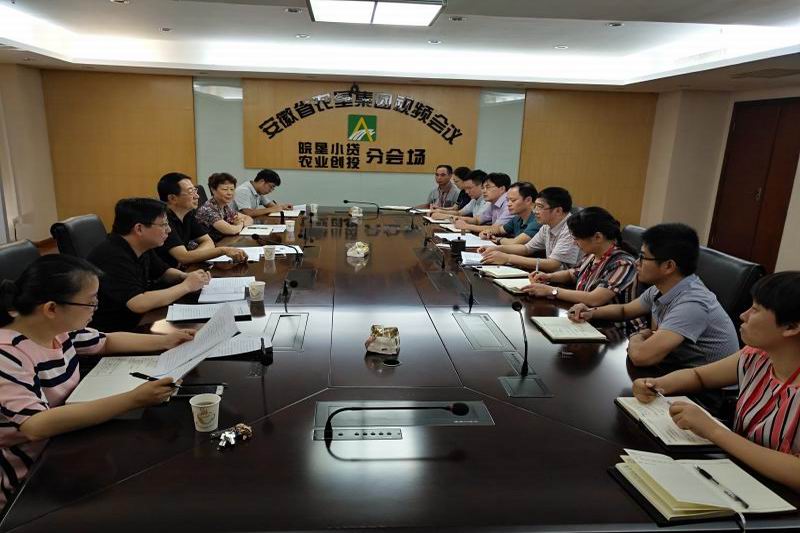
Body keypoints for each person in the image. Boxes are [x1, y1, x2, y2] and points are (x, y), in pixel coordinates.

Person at [0, 255, 193, 508]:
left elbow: (106, 341)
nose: (96, 308)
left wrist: (167, 340)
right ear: (51, 308)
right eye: (90, 302)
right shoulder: (8, 354)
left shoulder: (58, 330)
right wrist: (133, 399)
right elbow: (35, 426)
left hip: (69, 442)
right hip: (31, 475)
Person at [631, 271, 800, 492]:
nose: (743, 315)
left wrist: (713, 430)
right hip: (736, 474)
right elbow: (698, 376)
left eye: (756, 310)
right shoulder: (757, 356)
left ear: (792, 327)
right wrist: (656, 384)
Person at [569, 223, 739, 368]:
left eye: (643, 258)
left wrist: (638, 335)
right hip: (675, 369)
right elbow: (624, 310)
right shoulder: (663, 287)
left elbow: (641, 357)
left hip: (710, 391)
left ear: (668, 266)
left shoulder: (692, 304)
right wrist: (590, 312)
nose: (637, 263)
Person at [88, 198, 211, 332]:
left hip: (136, 317)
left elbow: (163, 272)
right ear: (139, 229)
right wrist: (187, 286)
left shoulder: (141, 245)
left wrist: (185, 276)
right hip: (114, 328)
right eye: (164, 225)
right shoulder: (112, 256)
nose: (169, 230)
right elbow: (138, 303)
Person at [521, 207, 638, 328]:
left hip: (613, 328)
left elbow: (594, 299)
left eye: (577, 238)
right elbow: (573, 273)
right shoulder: (593, 254)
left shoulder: (623, 263)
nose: (574, 243)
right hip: (585, 319)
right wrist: (548, 277)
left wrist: (551, 291)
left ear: (598, 237)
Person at [479, 187, 581, 272]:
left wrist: (508, 258)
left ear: (558, 210)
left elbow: (553, 264)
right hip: (552, 276)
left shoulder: (571, 229)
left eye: (540, 207)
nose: (535, 211)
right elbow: (526, 248)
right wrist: (497, 249)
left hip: (572, 283)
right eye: (535, 206)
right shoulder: (547, 226)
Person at [156, 172, 246, 267]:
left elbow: (208, 242)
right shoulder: (163, 221)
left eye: (195, 190)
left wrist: (192, 256)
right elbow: (183, 257)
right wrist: (223, 250)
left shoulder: (188, 214)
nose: (197, 196)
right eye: (191, 192)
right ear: (172, 198)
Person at [195, 172, 254, 242]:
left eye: (232, 189)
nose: (229, 193)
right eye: (225, 189)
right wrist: (240, 223)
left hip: (221, 242)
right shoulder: (208, 209)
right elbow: (231, 230)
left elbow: (248, 218)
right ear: (213, 190)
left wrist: (240, 223)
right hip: (208, 246)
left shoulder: (225, 207)